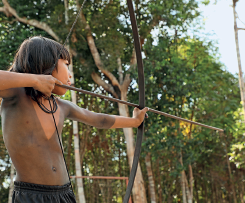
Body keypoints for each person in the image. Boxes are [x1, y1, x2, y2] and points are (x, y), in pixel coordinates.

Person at [0, 36, 148, 203]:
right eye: (66, 65)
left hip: (64, 194)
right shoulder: (15, 95)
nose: (69, 75)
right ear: (47, 63)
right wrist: (34, 80)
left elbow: (99, 120)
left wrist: (134, 122)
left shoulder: (62, 106)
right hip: (31, 196)